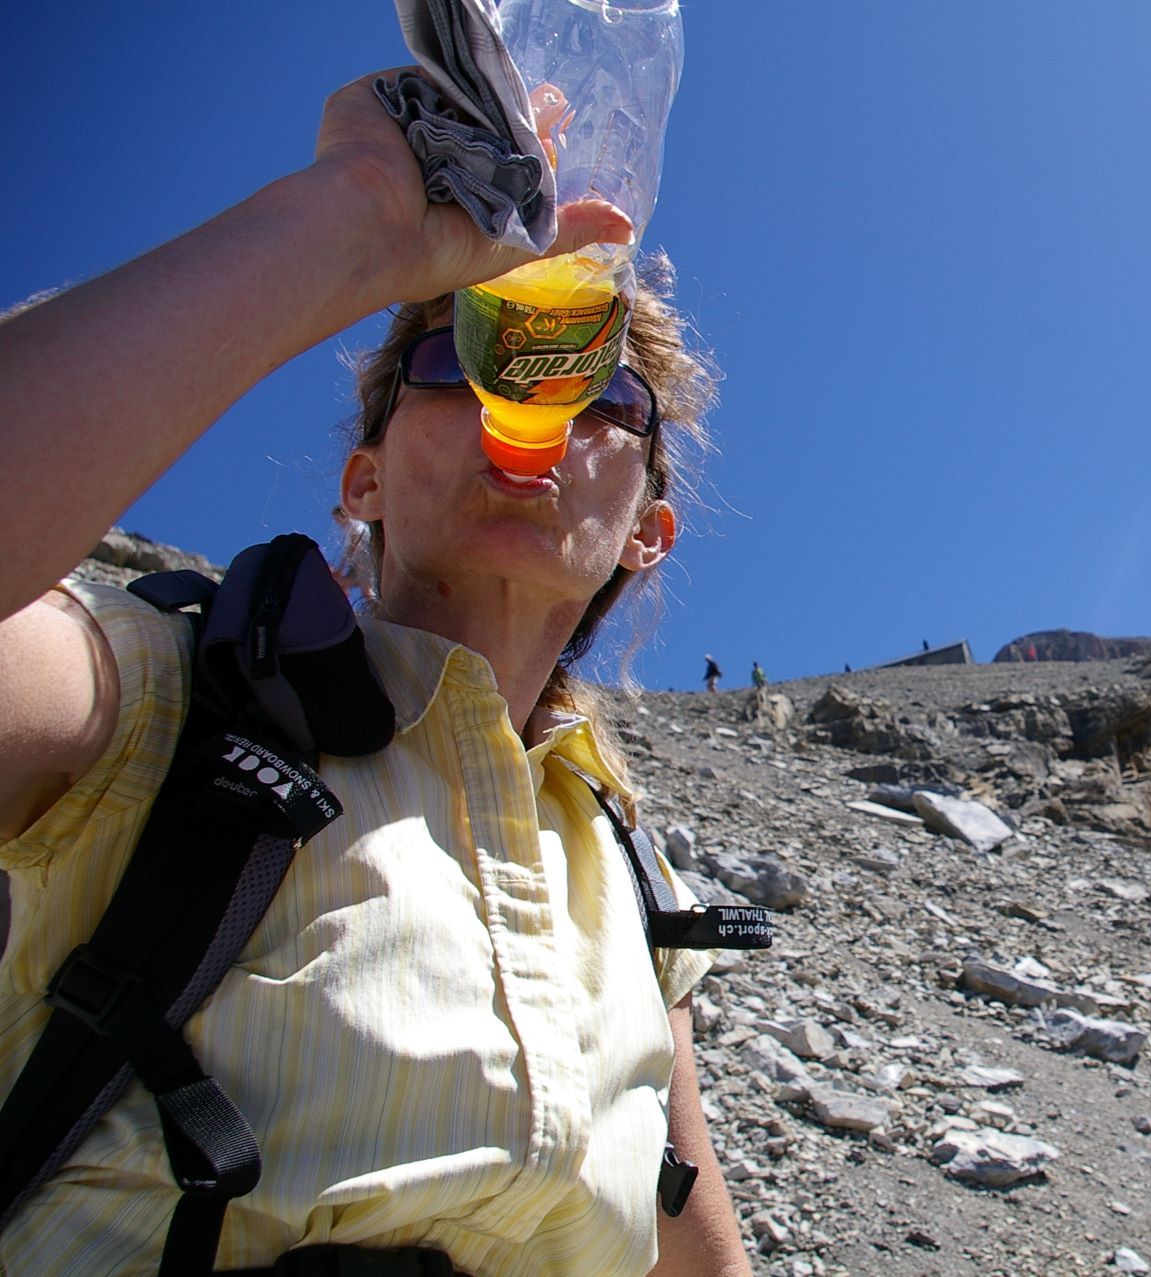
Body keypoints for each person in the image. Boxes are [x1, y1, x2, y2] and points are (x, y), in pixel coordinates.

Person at [0, 68, 751, 1275]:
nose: (536, 405)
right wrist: (350, 219)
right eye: (468, 359)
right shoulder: (161, 695)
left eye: (601, 387)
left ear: (650, 527)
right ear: (364, 478)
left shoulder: (624, 867)